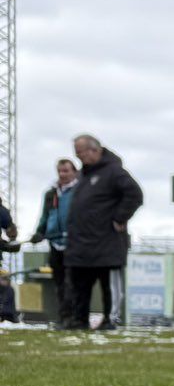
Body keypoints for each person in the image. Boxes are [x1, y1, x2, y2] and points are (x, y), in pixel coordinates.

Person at [66, 136, 143, 331]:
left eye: (80, 153)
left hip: (106, 242)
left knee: (108, 285)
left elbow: (134, 194)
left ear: (94, 150)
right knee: (80, 285)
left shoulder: (114, 172)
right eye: (76, 153)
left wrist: (120, 218)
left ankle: (110, 319)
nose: (78, 157)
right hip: (81, 244)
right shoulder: (83, 175)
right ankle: (79, 319)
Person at [29, 158, 77, 323]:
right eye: (60, 171)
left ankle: (73, 315)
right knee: (59, 281)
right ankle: (63, 316)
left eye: (66, 171)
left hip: (74, 242)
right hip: (54, 243)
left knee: (72, 281)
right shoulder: (50, 194)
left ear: (74, 172)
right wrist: (39, 232)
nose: (62, 174)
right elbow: (45, 215)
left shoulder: (79, 191)